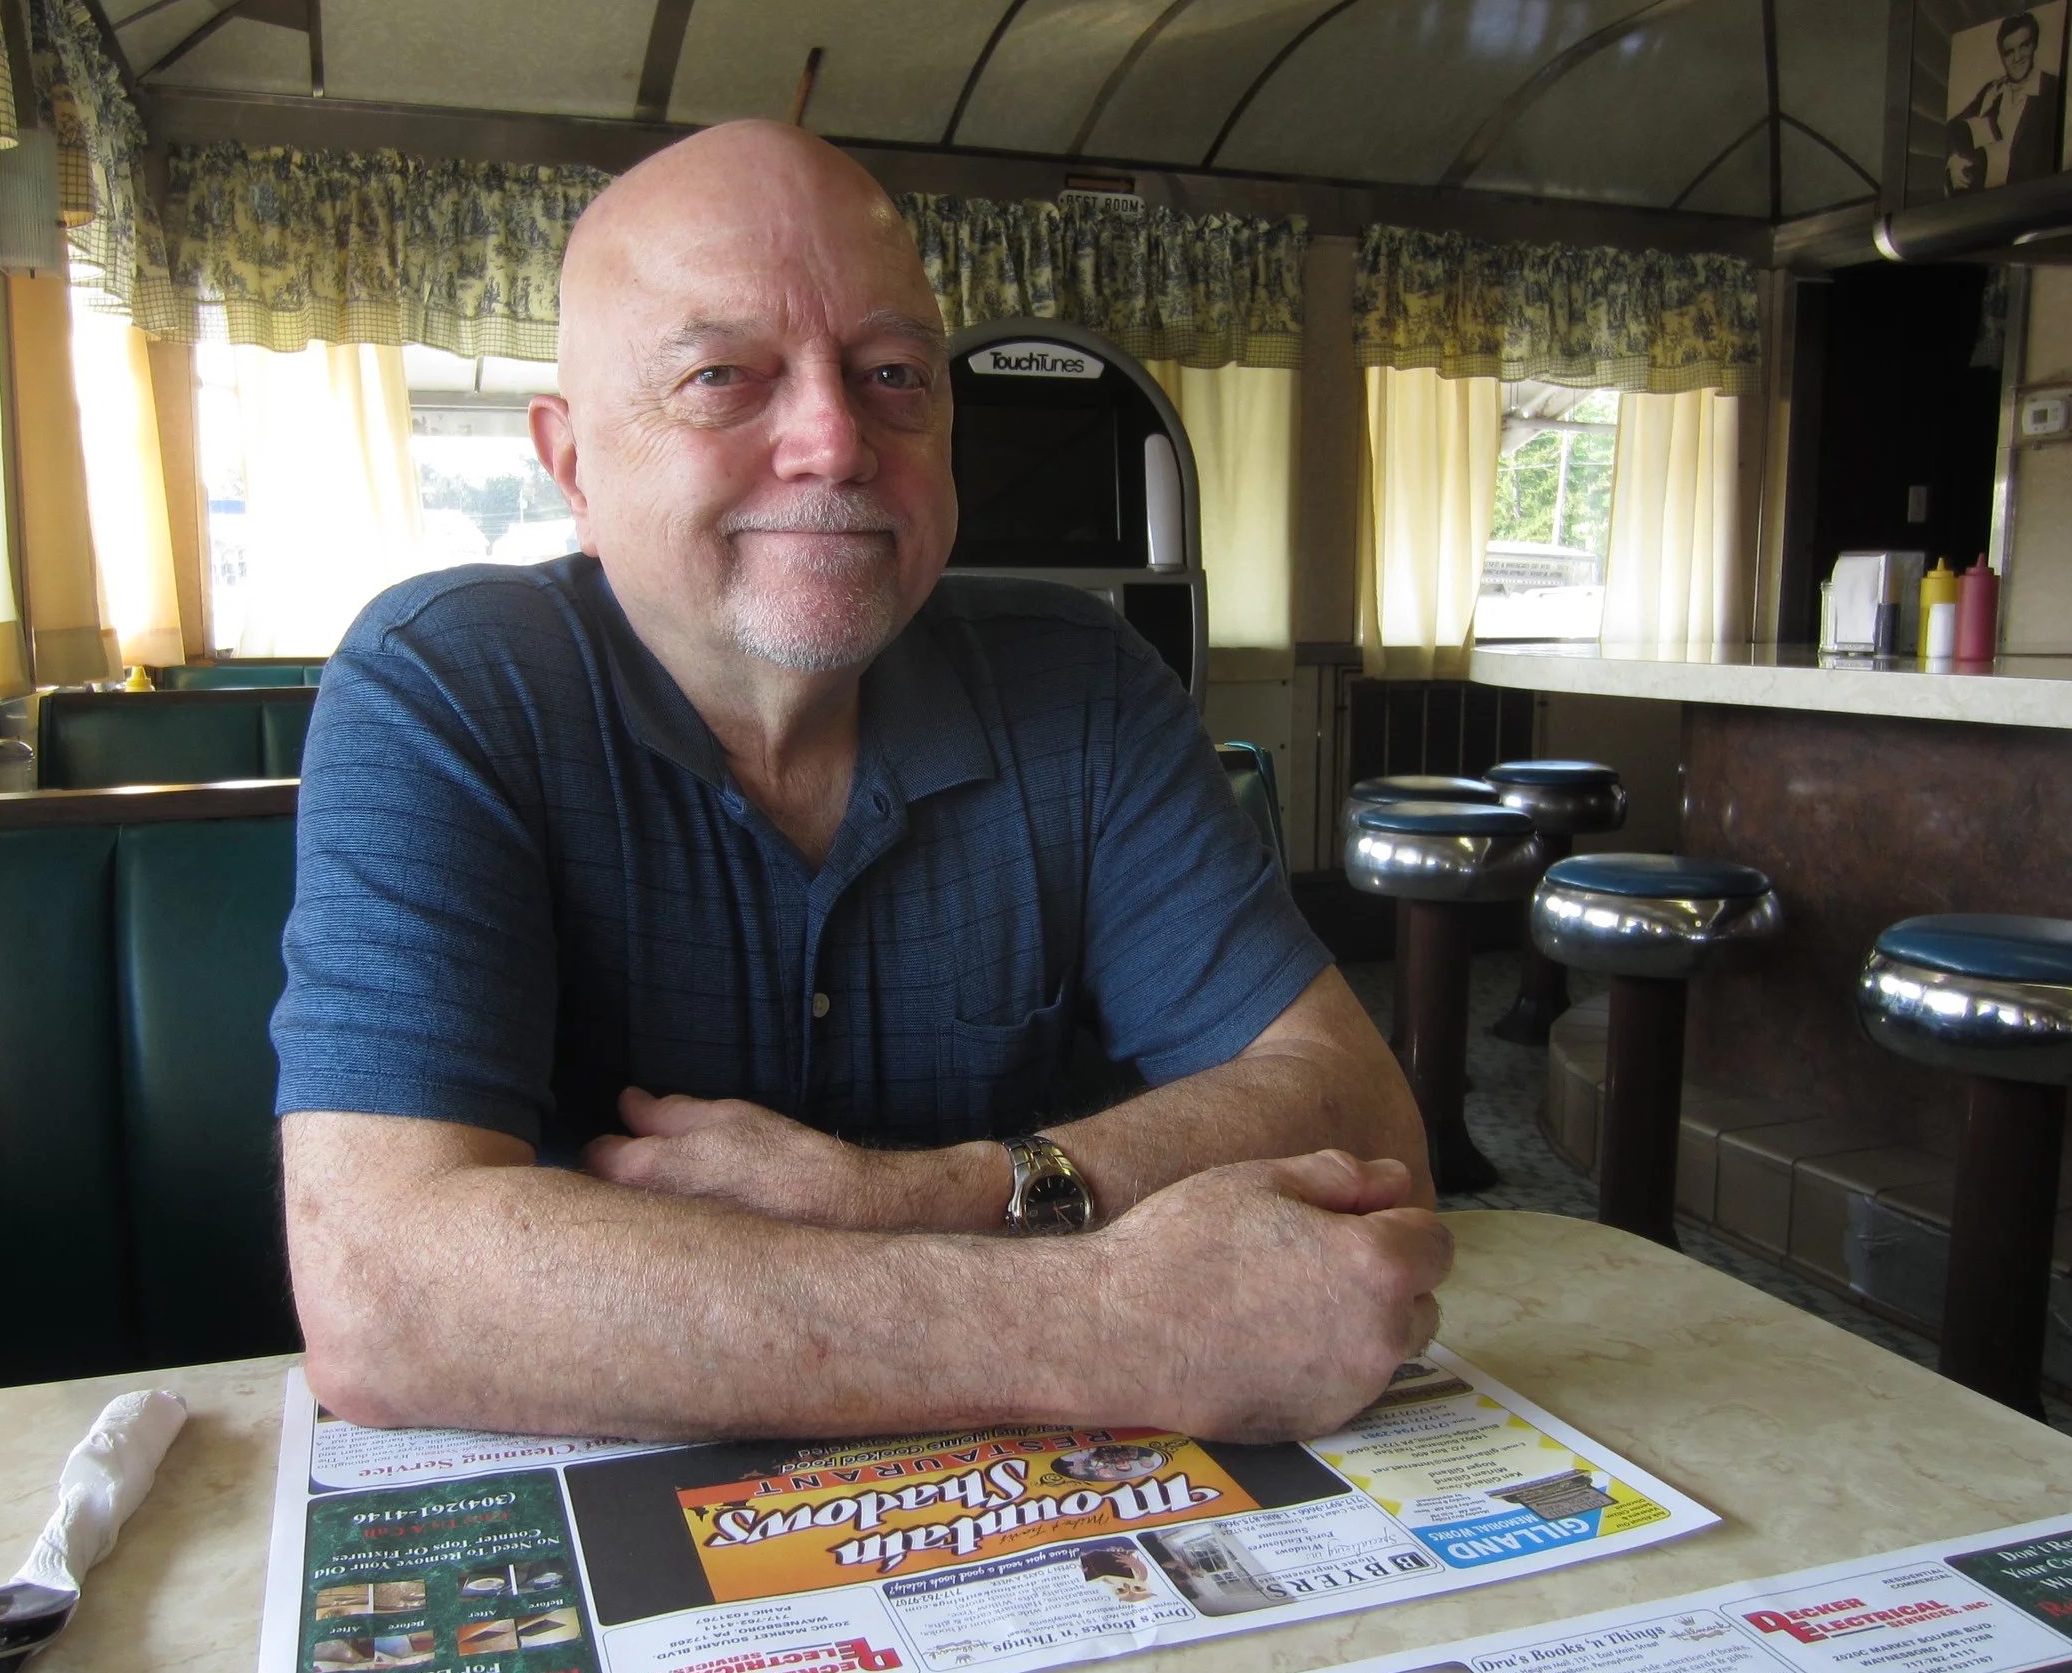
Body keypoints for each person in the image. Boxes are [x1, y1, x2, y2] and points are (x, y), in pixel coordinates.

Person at [273, 119, 1448, 1446]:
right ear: (573, 467)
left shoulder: (1084, 683)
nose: (835, 441)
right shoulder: (448, 683)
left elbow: (1356, 1102)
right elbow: (390, 1291)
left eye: (894, 373)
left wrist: (923, 1193)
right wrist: (1106, 1315)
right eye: (723, 376)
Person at [1951, 10, 2061, 191]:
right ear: (2001, 55)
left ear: (2035, 44)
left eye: (2024, 46)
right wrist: (1954, 160)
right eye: (2009, 52)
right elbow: (1954, 127)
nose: (2017, 58)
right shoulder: (1992, 91)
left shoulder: (2052, 89)